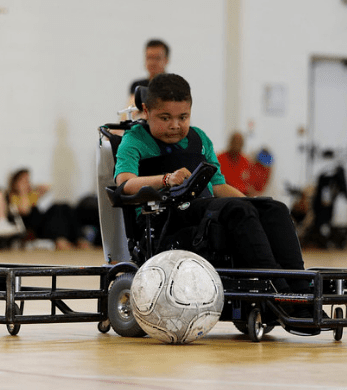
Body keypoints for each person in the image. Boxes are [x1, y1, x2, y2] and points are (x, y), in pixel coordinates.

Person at [114, 73, 320, 335]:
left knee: (274, 208)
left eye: (183, 117)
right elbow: (125, 183)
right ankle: (278, 292)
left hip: (204, 211)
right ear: (146, 111)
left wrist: (255, 206)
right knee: (236, 210)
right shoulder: (135, 140)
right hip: (165, 220)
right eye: (165, 118)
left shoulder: (200, 139)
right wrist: (166, 179)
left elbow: (219, 186)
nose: (175, 125)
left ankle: (302, 293)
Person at [8, 168, 91, 250]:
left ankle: (80, 238)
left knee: (64, 207)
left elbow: (47, 187)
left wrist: (32, 187)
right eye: (24, 181)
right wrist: (22, 191)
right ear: (16, 183)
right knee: (55, 211)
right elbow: (24, 210)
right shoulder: (13, 197)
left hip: (41, 223)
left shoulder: (31, 196)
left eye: (28, 180)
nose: (27, 183)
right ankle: (60, 240)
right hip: (34, 229)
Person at [127, 39, 170, 115]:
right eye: (149, 58)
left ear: (166, 60)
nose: (152, 63)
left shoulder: (174, 85)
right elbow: (130, 112)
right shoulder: (137, 85)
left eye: (157, 58)